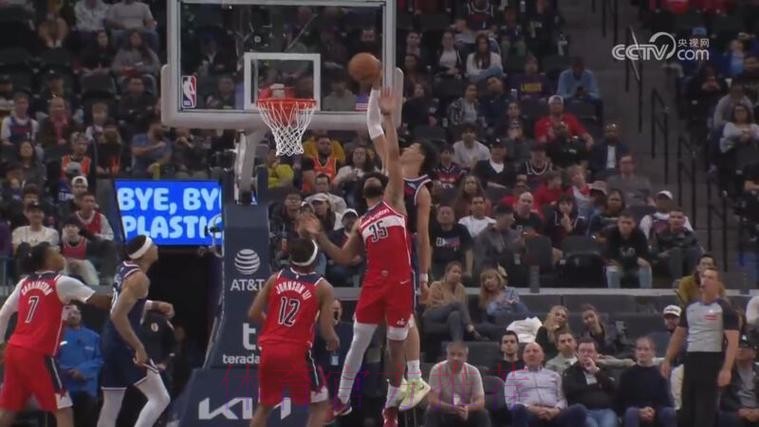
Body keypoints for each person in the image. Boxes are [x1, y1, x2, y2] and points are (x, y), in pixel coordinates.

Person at [304, 87, 412, 426]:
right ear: (363, 191)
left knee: (396, 347)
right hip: (373, 283)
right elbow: (342, 257)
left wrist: (388, 118)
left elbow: (392, 156)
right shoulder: (361, 223)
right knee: (357, 343)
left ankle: (391, 407)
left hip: (400, 283)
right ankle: (342, 399)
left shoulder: (394, 201)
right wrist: (319, 235)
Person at [0, 242, 110, 427]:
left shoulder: (24, 282)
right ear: (47, 260)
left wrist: (1, 344)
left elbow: (3, 314)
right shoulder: (62, 282)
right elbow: (101, 302)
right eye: (56, 253)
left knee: (8, 408)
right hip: (38, 353)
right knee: (63, 409)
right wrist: (129, 297)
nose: (61, 255)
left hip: (15, 349)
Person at [248, 238, 340, 427]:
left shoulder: (276, 278)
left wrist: (273, 328)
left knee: (264, 406)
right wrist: (333, 339)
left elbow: (254, 313)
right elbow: (325, 329)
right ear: (315, 260)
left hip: (270, 348)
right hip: (298, 352)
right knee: (320, 405)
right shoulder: (323, 287)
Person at [97, 235, 173, 427]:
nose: (156, 247)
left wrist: (155, 304)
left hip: (108, 340)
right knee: (160, 398)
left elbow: (123, 302)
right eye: (152, 245)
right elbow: (118, 315)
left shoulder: (124, 267)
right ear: (144, 253)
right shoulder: (139, 279)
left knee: (112, 402)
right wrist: (138, 346)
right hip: (123, 341)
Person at [660, 267, 740, 427]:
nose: (706, 280)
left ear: (718, 283)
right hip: (691, 360)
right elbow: (678, 335)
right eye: (703, 276)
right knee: (686, 412)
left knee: (705, 412)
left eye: (710, 277)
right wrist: (667, 359)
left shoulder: (725, 309)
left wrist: (726, 369)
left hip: (711, 360)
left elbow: (733, 342)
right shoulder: (690, 307)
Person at [505, 342, 588, 427]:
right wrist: (532, 409)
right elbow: (511, 402)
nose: (531, 354)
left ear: (542, 356)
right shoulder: (513, 376)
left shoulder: (554, 375)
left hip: (553, 414)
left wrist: (555, 411)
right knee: (518, 409)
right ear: (523, 356)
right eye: (527, 351)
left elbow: (562, 399)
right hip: (529, 414)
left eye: (535, 351)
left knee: (579, 409)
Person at [425, 341, 491, 427]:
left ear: (466, 357)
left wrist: (467, 408)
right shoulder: (437, 370)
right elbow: (433, 400)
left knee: (483, 413)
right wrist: (453, 408)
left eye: (460, 355)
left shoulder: (473, 371)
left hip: (466, 412)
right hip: (444, 412)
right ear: (447, 356)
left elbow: (480, 402)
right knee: (431, 411)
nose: (455, 358)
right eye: (452, 354)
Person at [57, 304, 103, 427]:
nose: (72, 315)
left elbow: (100, 359)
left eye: (76, 313)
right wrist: (69, 371)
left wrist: (84, 370)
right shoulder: (56, 335)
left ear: (81, 315)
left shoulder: (94, 337)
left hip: (87, 388)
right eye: (69, 313)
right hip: (63, 390)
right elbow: (51, 359)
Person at [617, 337, 677, 427]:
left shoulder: (659, 374)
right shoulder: (627, 375)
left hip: (655, 411)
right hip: (634, 411)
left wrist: (652, 411)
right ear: (635, 352)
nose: (642, 352)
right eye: (639, 349)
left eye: (646, 349)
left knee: (669, 412)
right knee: (631, 412)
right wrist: (640, 411)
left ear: (653, 352)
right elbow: (621, 401)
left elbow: (665, 401)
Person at [562, 338, 617, 427]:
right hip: (584, 413)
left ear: (596, 354)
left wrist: (596, 372)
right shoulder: (570, 372)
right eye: (582, 351)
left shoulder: (604, 369)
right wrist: (597, 386)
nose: (586, 354)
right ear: (577, 354)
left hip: (606, 411)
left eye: (590, 351)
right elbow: (571, 391)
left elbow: (614, 388)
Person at [423, 261, 483, 342]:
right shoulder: (436, 285)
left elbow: (464, 308)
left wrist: (451, 306)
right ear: (447, 273)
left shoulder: (461, 288)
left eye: (459, 273)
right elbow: (432, 303)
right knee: (458, 304)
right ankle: (469, 327)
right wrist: (452, 305)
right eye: (454, 272)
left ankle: (457, 344)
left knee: (455, 315)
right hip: (434, 314)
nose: (457, 274)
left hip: (451, 317)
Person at [603, 210, 652, 288]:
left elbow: (645, 257)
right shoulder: (612, 234)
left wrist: (623, 260)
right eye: (623, 222)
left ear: (634, 224)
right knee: (612, 270)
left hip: (634, 268)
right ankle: (614, 295)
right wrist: (635, 259)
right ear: (618, 223)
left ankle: (646, 294)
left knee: (646, 268)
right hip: (620, 268)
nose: (625, 226)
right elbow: (610, 255)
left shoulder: (640, 235)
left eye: (629, 223)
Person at [719, 334, 759, 427]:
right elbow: (723, 397)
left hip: (756, 409)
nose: (740, 350)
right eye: (738, 346)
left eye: (745, 347)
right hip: (735, 411)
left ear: (754, 353)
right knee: (732, 420)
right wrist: (740, 410)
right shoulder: (727, 371)